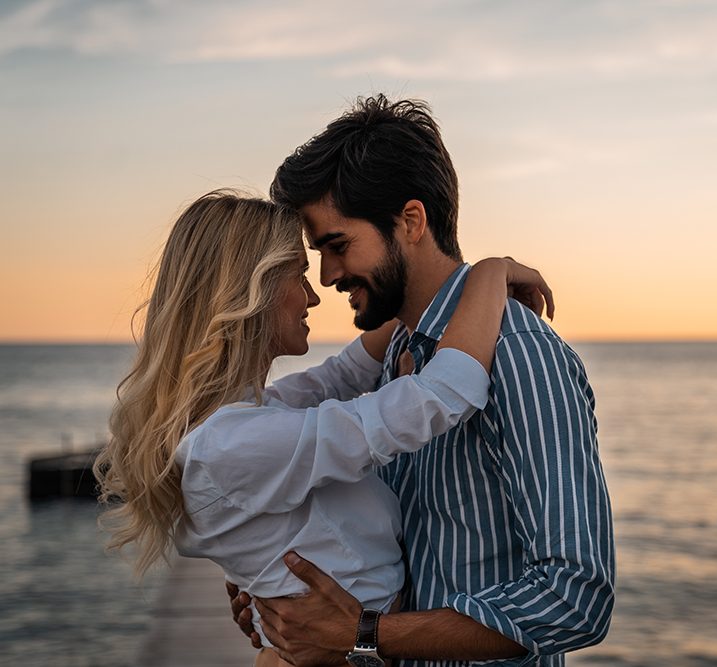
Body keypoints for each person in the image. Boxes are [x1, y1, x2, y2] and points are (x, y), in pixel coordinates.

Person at [94, 190, 554, 667]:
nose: (315, 294)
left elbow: (341, 374)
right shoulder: (235, 443)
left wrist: (419, 290)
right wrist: (489, 274)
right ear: (250, 291)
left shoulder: (237, 420)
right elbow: (442, 394)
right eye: (298, 274)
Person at [232, 96, 615, 666]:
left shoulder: (520, 355)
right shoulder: (402, 350)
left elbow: (576, 597)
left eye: (338, 246)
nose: (329, 275)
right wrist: (291, 604)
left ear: (411, 222)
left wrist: (362, 633)